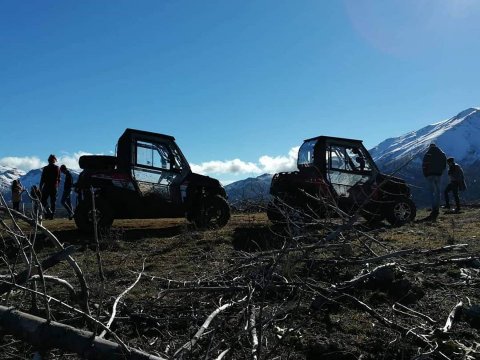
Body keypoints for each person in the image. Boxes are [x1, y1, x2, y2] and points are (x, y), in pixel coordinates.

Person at [422, 143, 447, 220]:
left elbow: (424, 165)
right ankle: (437, 208)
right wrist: (441, 171)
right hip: (438, 174)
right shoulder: (442, 154)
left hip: (429, 175)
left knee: (431, 192)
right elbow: (444, 164)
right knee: (438, 192)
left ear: (429, 147)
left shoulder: (427, 154)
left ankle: (433, 208)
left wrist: (425, 174)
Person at [39, 154, 61, 219]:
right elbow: (59, 178)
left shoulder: (46, 168)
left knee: (43, 200)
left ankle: (48, 211)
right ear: (54, 160)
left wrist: (40, 186)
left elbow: (42, 178)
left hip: (47, 186)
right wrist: (57, 185)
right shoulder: (57, 168)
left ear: (48, 160)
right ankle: (51, 215)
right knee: (53, 201)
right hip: (54, 186)